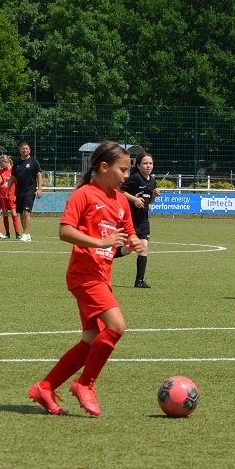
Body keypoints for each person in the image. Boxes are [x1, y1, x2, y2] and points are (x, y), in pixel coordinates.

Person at [28, 141, 143, 417]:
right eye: (122, 169)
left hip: (102, 277)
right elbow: (65, 231)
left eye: (128, 170)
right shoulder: (84, 195)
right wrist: (100, 241)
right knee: (116, 326)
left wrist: (134, 244)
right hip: (84, 275)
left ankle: (45, 387)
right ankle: (84, 383)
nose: (126, 175)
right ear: (103, 167)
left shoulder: (121, 201)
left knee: (91, 340)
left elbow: (128, 235)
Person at [116, 151, 160, 287]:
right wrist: (134, 199)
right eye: (145, 163)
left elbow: (149, 202)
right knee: (127, 250)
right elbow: (119, 190)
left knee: (143, 248)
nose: (148, 166)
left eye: (150, 163)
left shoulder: (152, 180)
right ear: (138, 165)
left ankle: (139, 281)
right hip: (130, 219)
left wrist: (153, 197)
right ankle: (104, 256)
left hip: (143, 219)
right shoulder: (134, 178)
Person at [11, 142, 43, 242]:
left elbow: (39, 175)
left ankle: (25, 233)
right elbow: (13, 177)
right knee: (21, 213)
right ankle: (27, 234)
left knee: (26, 212)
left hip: (30, 190)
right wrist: (8, 189)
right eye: (23, 148)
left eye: (26, 148)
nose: (25, 150)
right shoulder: (17, 163)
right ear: (20, 150)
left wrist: (39, 189)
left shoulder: (33, 161)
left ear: (29, 150)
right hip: (19, 191)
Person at [0, 154, 21, 239]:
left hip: (11, 195)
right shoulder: (1, 172)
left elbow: (17, 184)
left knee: (14, 213)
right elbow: (0, 184)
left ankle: (17, 233)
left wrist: (16, 195)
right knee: (5, 213)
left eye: (2, 163)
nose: (1, 165)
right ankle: (7, 233)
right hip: (2, 195)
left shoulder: (13, 170)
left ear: (7, 162)